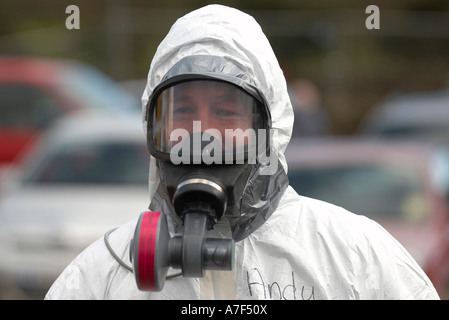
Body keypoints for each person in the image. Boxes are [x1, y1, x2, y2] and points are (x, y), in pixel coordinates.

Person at [45, 5, 439, 300]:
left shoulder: (354, 258)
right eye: (183, 111)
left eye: (225, 111)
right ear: (155, 129)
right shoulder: (105, 275)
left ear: (269, 130)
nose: (203, 134)